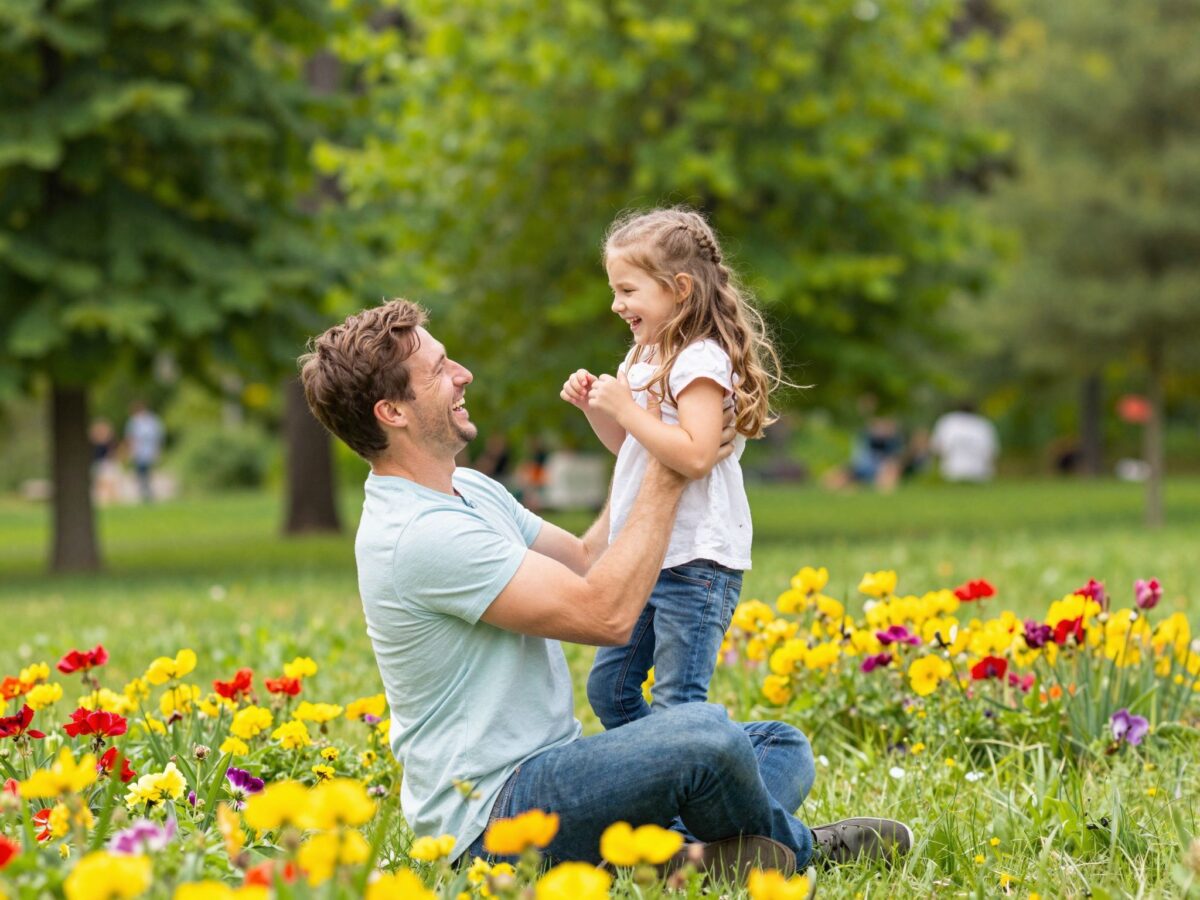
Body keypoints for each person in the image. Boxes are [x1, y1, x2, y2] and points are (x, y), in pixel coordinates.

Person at [299, 299, 912, 883]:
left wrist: (654, 441)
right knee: (708, 739)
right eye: (438, 370)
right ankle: (800, 852)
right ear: (393, 412)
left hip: (553, 773)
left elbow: (591, 558)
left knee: (779, 745)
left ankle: (674, 860)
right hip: (493, 820)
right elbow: (608, 612)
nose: (463, 375)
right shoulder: (417, 534)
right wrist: (677, 465)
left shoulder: (468, 490)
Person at [560, 207, 774, 730]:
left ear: (678, 288)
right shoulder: (643, 356)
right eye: (614, 290)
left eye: (628, 291)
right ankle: (661, 772)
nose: (616, 304)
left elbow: (697, 456)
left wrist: (628, 408)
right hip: (646, 556)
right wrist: (598, 409)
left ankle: (683, 791)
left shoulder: (700, 360)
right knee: (609, 690)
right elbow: (632, 449)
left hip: (695, 562)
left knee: (679, 704)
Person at [929, 402, 999, 483]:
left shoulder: (947, 422)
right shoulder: (984, 425)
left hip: (950, 474)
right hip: (979, 475)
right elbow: (992, 452)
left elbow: (936, 448)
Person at [124, 402, 165, 503]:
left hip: (149, 450)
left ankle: (148, 492)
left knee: (148, 471)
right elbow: (130, 437)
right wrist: (131, 450)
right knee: (140, 472)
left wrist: (157, 450)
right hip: (139, 451)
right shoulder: (133, 421)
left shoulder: (153, 421)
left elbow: (158, 437)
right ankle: (143, 492)